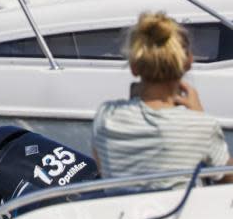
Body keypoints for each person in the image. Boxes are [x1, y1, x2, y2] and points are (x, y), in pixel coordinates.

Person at [92, 12, 232, 187]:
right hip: (180, 214)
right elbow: (228, 180)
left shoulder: (106, 116)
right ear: (188, 62)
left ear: (135, 67)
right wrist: (199, 115)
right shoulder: (201, 126)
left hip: (126, 213)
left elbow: (103, 168)